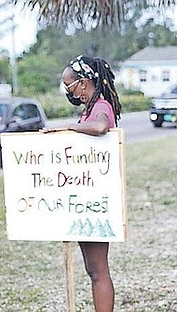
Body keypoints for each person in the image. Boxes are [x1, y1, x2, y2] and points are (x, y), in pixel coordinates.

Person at [46, 55, 121, 312]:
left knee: (99, 270)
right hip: (85, 201)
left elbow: (100, 128)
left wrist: (67, 128)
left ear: (84, 82)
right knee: (93, 269)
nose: (70, 92)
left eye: (70, 86)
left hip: (97, 203)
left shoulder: (101, 107)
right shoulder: (88, 109)